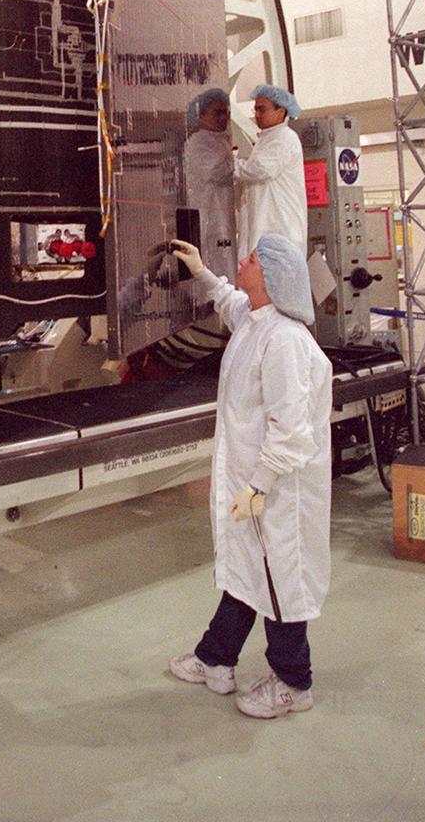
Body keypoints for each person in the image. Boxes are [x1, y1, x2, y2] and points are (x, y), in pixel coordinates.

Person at [167, 233, 331, 719]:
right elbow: (232, 301)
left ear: (273, 277)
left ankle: (294, 683)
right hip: (252, 483)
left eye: (254, 258)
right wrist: (200, 273)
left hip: (277, 489)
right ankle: (215, 659)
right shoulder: (257, 322)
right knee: (244, 569)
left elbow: (291, 431)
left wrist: (259, 486)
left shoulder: (284, 341)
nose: (244, 260)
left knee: (280, 578)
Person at [235, 83, 308, 256]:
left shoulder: (285, 138)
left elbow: (260, 170)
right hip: (265, 230)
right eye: (255, 110)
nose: (257, 115)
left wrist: (229, 164)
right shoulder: (265, 140)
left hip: (280, 231)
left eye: (262, 109)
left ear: (281, 111)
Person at [184, 88, 236, 286]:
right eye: (216, 113)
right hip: (210, 219)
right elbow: (218, 172)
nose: (223, 118)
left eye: (226, 113)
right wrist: (240, 164)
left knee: (226, 268)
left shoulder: (220, 141)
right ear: (200, 115)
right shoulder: (198, 143)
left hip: (222, 218)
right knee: (216, 269)